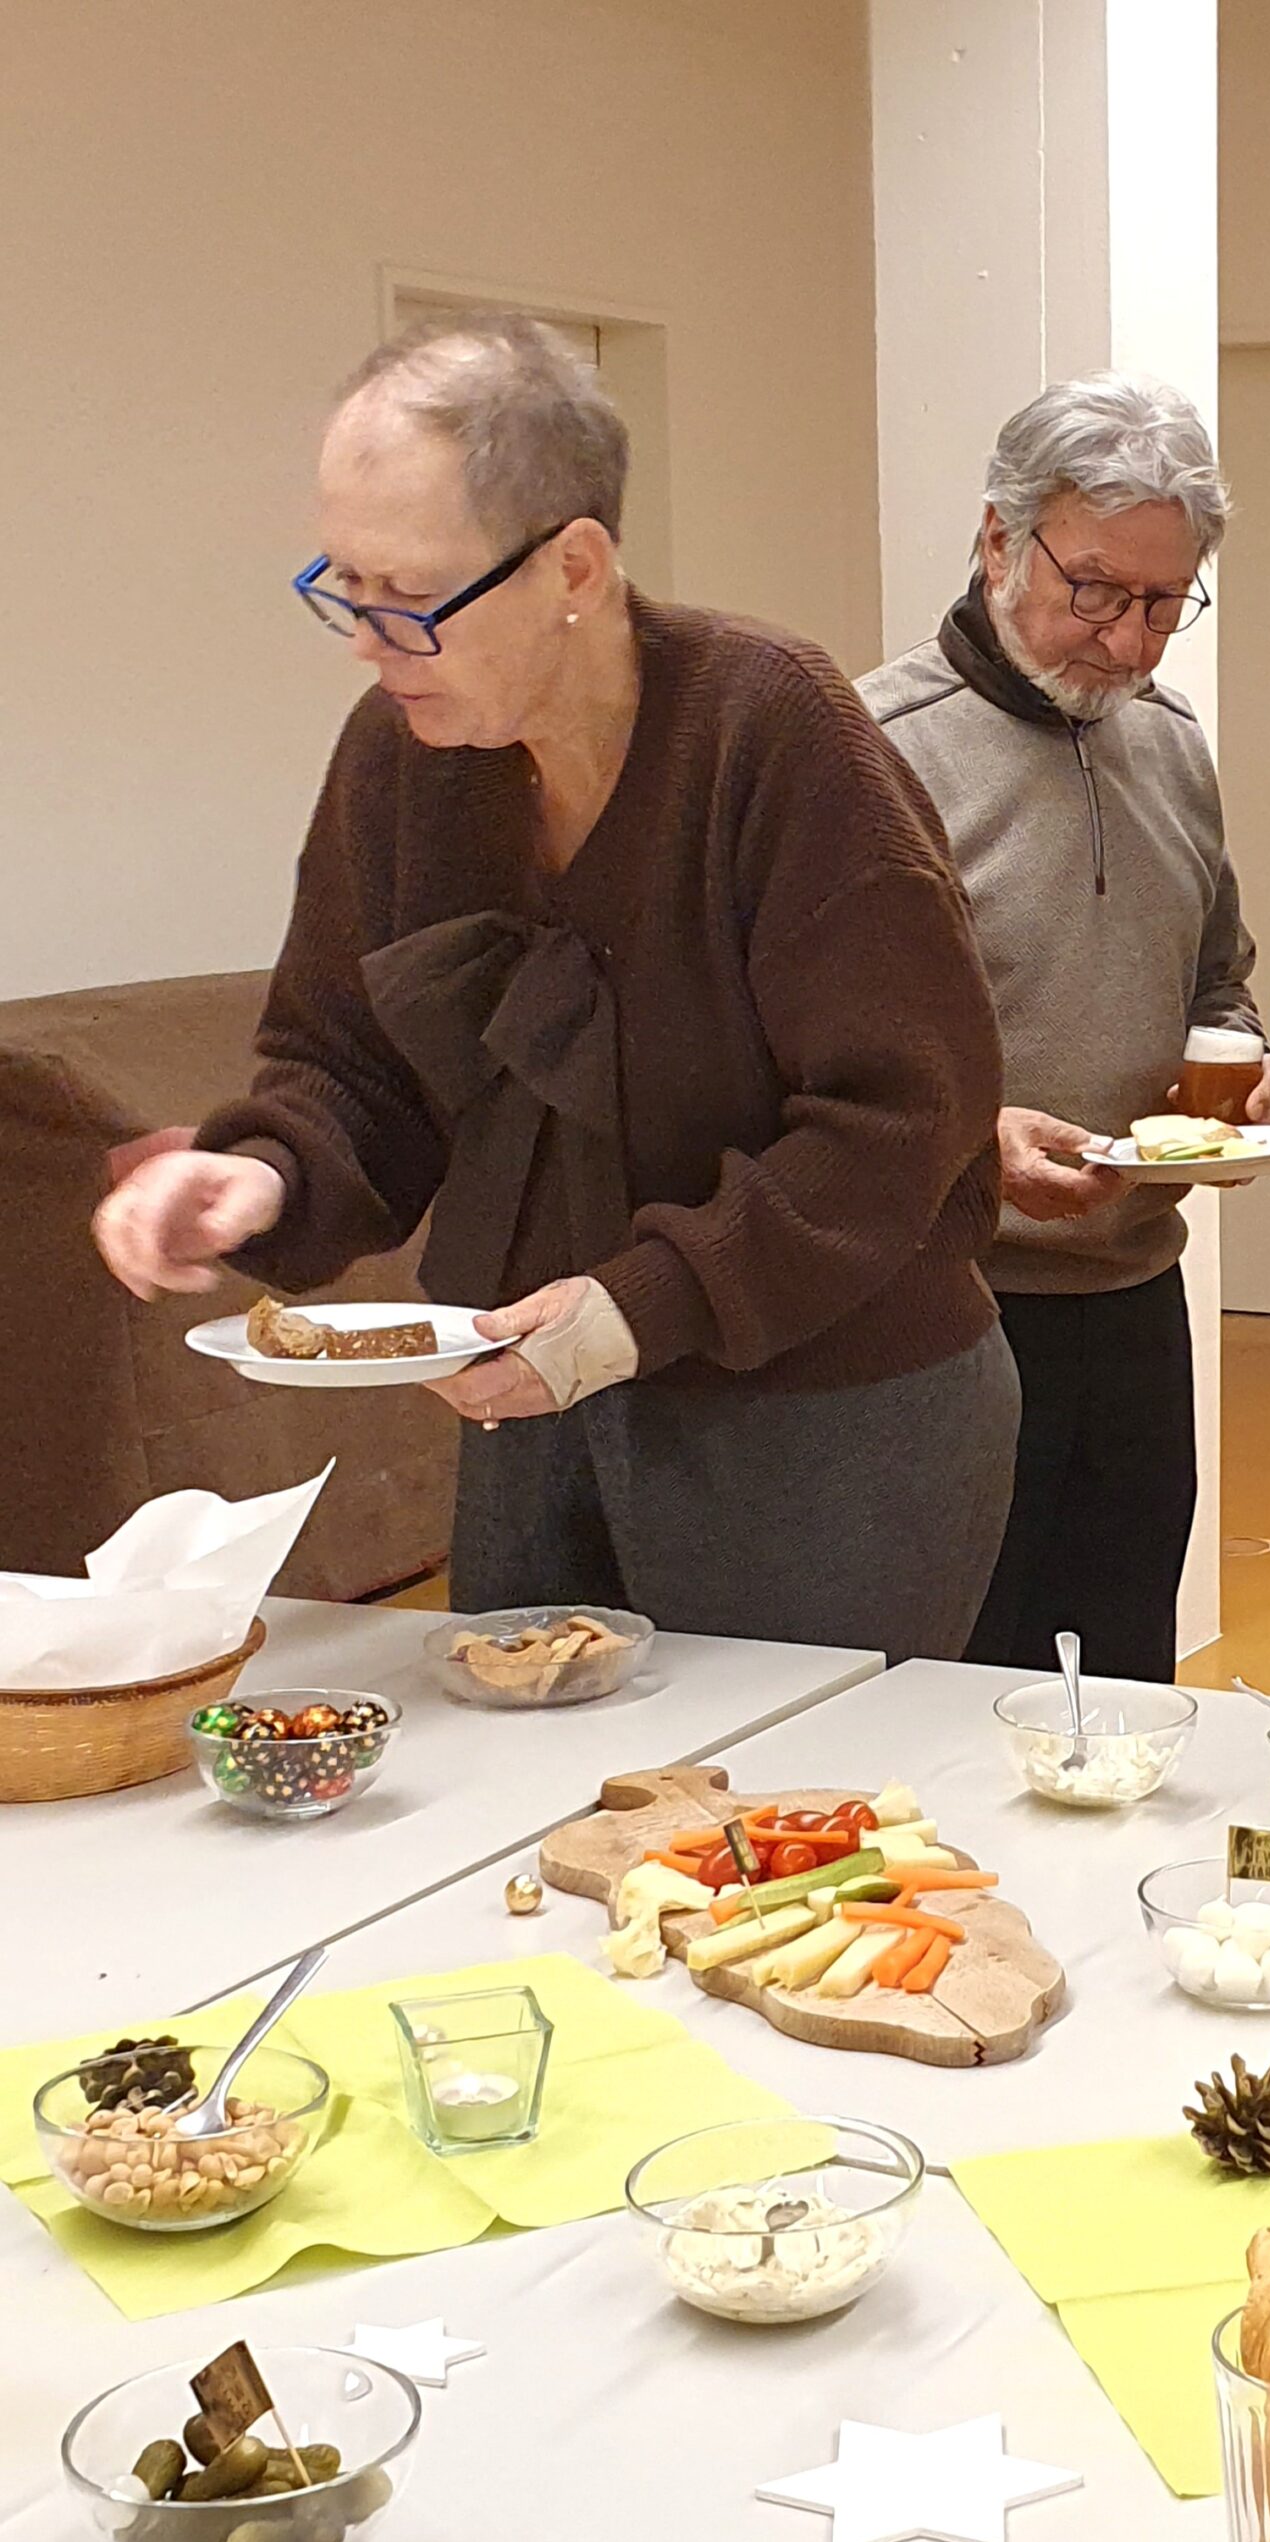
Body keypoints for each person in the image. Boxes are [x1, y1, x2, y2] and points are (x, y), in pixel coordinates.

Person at [91, 314, 1017, 1658]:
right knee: (533, 1770)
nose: (368, 641)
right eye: (345, 587)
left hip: (827, 1416)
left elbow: (902, 1120)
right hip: (534, 1399)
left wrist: (638, 1308)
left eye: (410, 597)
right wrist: (265, 1174)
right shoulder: (399, 756)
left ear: (574, 565)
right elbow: (346, 1061)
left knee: (786, 1786)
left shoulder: (769, 728)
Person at [860, 374, 1270, 1679]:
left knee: (1125, 1687)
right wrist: (965, 1141)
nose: (1129, 642)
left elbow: (1216, 979)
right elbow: (805, 1064)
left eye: (1164, 602)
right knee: (953, 1690)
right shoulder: (873, 751)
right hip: (943, 1314)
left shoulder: (1170, 742)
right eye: (1096, 591)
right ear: (999, 539)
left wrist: (1246, 1071)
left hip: (1136, 1299)